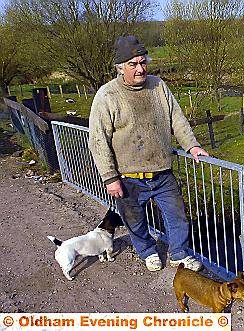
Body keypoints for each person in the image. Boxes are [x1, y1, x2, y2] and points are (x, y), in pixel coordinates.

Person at [88, 35, 209, 272]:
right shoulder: (107, 95)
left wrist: (191, 146)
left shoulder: (158, 86)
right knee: (135, 220)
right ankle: (147, 251)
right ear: (120, 68)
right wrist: (110, 177)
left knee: (178, 218)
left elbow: (177, 119)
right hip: (129, 176)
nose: (140, 69)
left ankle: (179, 253)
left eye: (143, 63)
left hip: (162, 171)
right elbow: (98, 140)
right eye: (133, 65)